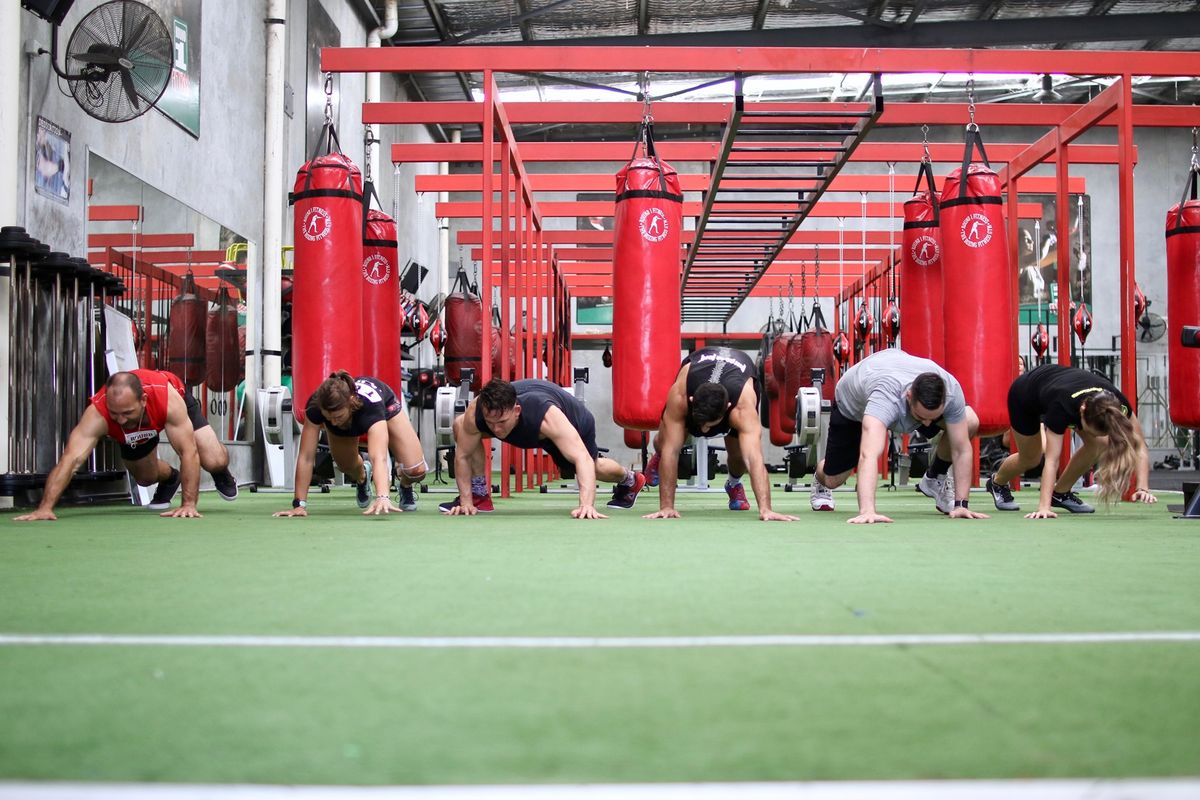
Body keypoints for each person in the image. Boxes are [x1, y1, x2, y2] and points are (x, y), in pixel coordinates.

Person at [13, 369, 237, 522]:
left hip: (174, 401)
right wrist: (45, 507)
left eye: (127, 413)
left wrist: (188, 504)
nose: (120, 420)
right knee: (145, 478)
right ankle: (170, 478)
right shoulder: (98, 414)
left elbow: (188, 452)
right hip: (137, 429)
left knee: (213, 459)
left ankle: (222, 473)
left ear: (143, 401)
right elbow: (70, 460)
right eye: (115, 414)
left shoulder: (166, 400)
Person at [809, 349, 989, 524]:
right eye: (921, 418)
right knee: (833, 479)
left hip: (897, 376)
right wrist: (868, 511)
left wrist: (961, 505)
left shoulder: (951, 391)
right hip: (853, 406)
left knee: (969, 421)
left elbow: (961, 448)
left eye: (932, 418)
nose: (927, 425)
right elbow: (868, 454)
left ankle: (935, 478)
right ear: (909, 396)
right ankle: (820, 480)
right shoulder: (886, 396)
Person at [441, 378, 644, 519]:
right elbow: (463, 456)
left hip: (572, 421)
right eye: (490, 423)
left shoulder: (547, 416)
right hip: (532, 422)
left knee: (592, 466)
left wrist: (586, 505)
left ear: (517, 411)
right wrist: (466, 501)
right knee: (462, 427)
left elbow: (582, 458)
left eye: (502, 422)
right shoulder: (476, 413)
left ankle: (631, 480)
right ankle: (479, 496)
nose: (496, 429)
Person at [642, 346, 798, 522]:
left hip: (737, 375)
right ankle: (657, 456)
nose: (705, 431)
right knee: (665, 443)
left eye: (710, 425)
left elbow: (754, 458)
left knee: (739, 456)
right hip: (700, 368)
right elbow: (672, 452)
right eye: (702, 424)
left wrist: (766, 509)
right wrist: (667, 506)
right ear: (692, 401)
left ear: (728, 409)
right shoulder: (681, 395)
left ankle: (733, 484)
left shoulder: (742, 406)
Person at [985, 364, 1157, 517]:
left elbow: (1139, 444)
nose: (1095, 435)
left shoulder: (1116, 407)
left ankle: (1060, 493)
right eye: (1091, 430)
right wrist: (1044, 508)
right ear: (1081, 412)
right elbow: (1052, 460)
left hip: (1059, 386)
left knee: (1100, 443)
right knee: (1031, 458)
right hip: (1025, 395)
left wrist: (1142, 487)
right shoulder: (1062, 408)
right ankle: (997, 483)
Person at [273, 372, 426, 517]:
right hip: (350, 420)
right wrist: (299, 505)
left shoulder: (370, 408)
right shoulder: (315, 408)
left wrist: (383, 496)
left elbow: (379, 457)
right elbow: (306, 457)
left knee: (416, 470)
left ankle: (405, 486)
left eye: (337, 416)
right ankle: (362, 477)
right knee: (346, 467)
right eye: (328, 418)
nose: (333, 422)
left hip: (385, 406)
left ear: (351, 403)